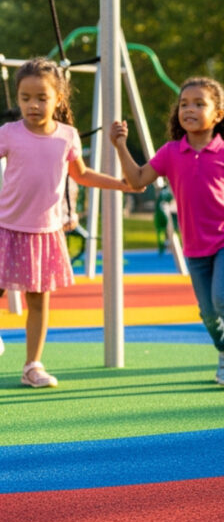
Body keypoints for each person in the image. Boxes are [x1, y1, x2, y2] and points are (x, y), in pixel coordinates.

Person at [112, 77, 224, 386]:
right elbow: (137, 180)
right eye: (184, 104)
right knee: (208, 312)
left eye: (199, 104)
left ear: (219, 114)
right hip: (195, 244)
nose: (189, 109)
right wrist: (120, 146)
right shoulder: (170, 152)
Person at [0, 58, 140, 387]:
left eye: (41, 98)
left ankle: (32, 365)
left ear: (58, 99)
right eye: (24, 98)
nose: (32, 105)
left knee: (38, 300)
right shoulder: (8, 133)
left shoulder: (67, 136)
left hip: (44, 231)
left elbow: (82, 174)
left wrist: (121, 183)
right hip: (6, 227)